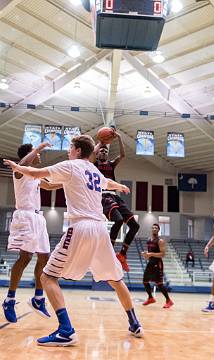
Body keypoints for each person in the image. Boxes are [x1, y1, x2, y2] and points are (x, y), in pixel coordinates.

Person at [4, 135, 144, 346]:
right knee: (116, 279)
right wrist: (121, 187)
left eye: (70, 147)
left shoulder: (70, 165)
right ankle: (134, 323)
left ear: (78, 150)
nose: (69, 151)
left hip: (81, 227)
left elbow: (36, 173)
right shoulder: (95, 170)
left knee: (47, 277)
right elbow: (108, 183)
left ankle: (66, 330)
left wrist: (17, 166)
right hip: (100, 230)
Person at [2, 142, 61, 323]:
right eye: (36, 154)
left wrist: (69, 182)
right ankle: (10, 299)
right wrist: (38, 148)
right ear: (29, 154)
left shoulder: (35, 176)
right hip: (25, 216)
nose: (40, 156)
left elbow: (50, 186)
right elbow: (22, 164)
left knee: (44, 258)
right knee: (25, 257)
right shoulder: (18, 172)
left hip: (38, 218)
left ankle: (38, 298)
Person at [94, 132, 140, 272]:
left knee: (135, 226)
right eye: (101, 150)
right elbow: (91, 152)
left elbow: (123, 156)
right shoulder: (93, 164)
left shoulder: (111, 164)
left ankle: (122, 255)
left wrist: (119, 138)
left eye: (106, 150)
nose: (103, 151)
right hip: (102, 196)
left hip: (115, 196)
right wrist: (101, 142)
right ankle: (107, 251)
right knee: (118, 220)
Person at [141, 223, 174, 308]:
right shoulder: (148, 240)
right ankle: (150, 298)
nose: (154, 229)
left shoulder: (160, 241)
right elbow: (149, 254)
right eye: (153, 228)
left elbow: (163, 254)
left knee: (159, 284)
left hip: (157, 264)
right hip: (150, 263)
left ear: (158, 230)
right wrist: (145, 254)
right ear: (151, 229)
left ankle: (168, 300)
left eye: (156, 228)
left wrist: (150, 254)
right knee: (145, 281)